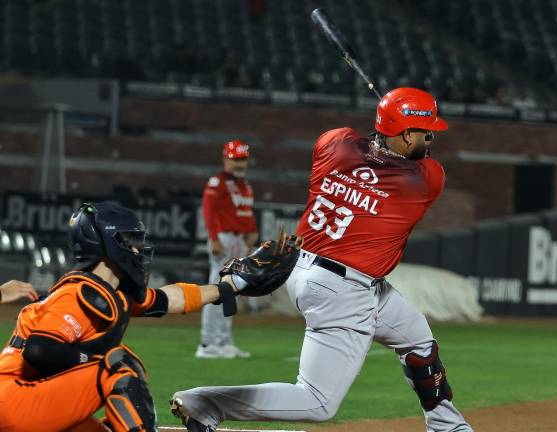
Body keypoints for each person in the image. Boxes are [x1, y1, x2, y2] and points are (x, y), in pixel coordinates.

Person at [170, 87, 474, 432]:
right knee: (317, 401)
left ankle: (447, 426)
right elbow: (419, 163)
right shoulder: (422, 181)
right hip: (341, 289)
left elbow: (355, 142)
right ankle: (205, 403)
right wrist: (389, 142)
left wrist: (387, 133)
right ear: (405, 134)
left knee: (417, 337)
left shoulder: (336, 144)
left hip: (312, 269)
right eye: (424, 131)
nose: (431, 137)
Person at [0, 202, 245, 432]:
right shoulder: (77, 292)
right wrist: (95, 357)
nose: (138, 248)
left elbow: (169, 298)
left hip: (25, 399)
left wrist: (227, 287)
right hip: (15, 398)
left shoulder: (107, 291)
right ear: (105, 244)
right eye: (129, 240)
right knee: (118, 363)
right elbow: (39, 350)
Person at [197, 139, 259, 359]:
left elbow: (246, 213)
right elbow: (208, 211)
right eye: (235, 159)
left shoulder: (245, 185)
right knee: (218, 290)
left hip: (238, 241)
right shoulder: (218, 182)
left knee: (232, 292)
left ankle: (223, 341)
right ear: (225, 159)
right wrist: (213, 238)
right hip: (223, 238)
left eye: (242, 159)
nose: (239, 163)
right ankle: (207, 343)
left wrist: (252, 232)